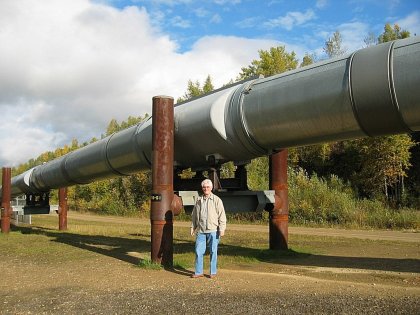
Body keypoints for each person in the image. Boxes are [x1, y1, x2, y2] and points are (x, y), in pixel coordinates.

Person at [190, 178, 226, 279]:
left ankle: (213, 272)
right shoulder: (198, 200)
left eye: (208, 187)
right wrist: (193, 227)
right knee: (198, 251)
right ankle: (198, 272)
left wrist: (222, 229)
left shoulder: (217, 200)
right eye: (204, 187)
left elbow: (222, 215)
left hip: (213, 231)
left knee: (213, 252)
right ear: (202, 188)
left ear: (211, 188)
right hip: (201, 231)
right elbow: (194, 215)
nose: (206, 189)